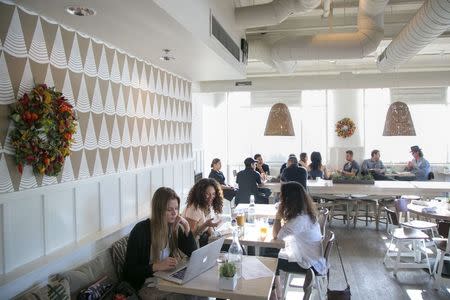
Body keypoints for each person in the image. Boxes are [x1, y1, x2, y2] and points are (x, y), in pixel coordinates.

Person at [123, 187, 198, 297]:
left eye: (176, 208)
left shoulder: (174, 227)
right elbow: (129, 271)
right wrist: (156, 266)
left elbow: (193, 253)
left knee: (195, 290)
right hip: (145, 284)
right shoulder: (141, 230)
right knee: (189, 295)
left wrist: (186, 227)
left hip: (165, 278)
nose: (174, 213)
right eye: (169, 209)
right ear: (159, 210)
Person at [271, 182, 327, 300]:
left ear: (288, 200)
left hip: (308, 264)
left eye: (281, 197)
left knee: (269, 258)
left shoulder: (297, 221)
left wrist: (278, 215)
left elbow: (277, 236)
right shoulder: (306, 214)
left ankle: (275, 294)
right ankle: (276, 291)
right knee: (271, 253)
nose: (280, 199)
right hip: (316, 259)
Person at [183, 178, 223, 246]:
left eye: (213, 194)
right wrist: (206, 225)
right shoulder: (194, 208)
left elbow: (209, 229)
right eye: (207, 194)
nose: (211, 197)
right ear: (200, 194)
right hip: (192, 245)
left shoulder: (206, 205)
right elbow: (191, 236)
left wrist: (216, 237)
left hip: (202, 240)